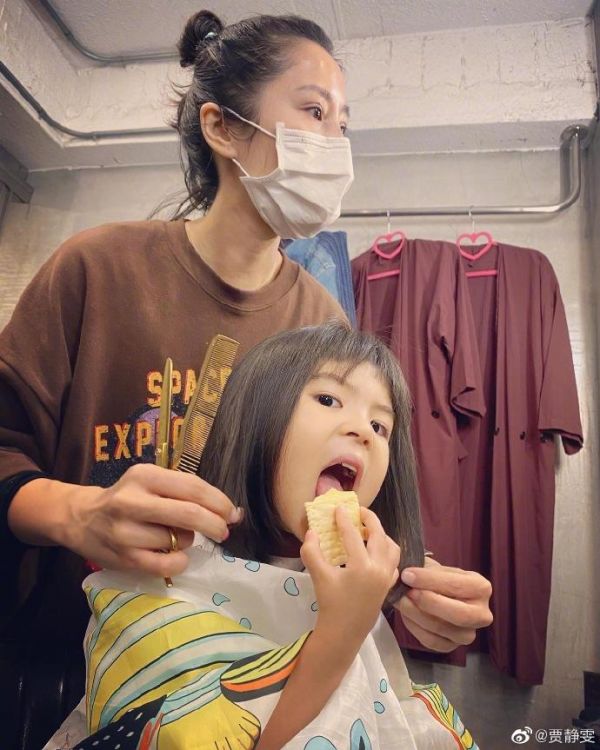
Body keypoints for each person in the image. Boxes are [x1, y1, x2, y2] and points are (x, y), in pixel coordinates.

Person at [0, 9, 490, 667]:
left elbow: (312, 515)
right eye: (314, 112)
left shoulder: (323, 325)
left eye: (343, 126)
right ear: (222, 127)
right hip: (64, 663)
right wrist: (77, 514)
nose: (335, 145)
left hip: (235, 677)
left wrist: (404, 592)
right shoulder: (97, 268)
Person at [48, 322, 478, 750]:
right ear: (254, 417)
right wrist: (342, 631)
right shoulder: (163, 584)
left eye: (380, 426)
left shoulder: (362, 583)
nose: (363, 431)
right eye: (328, 399)